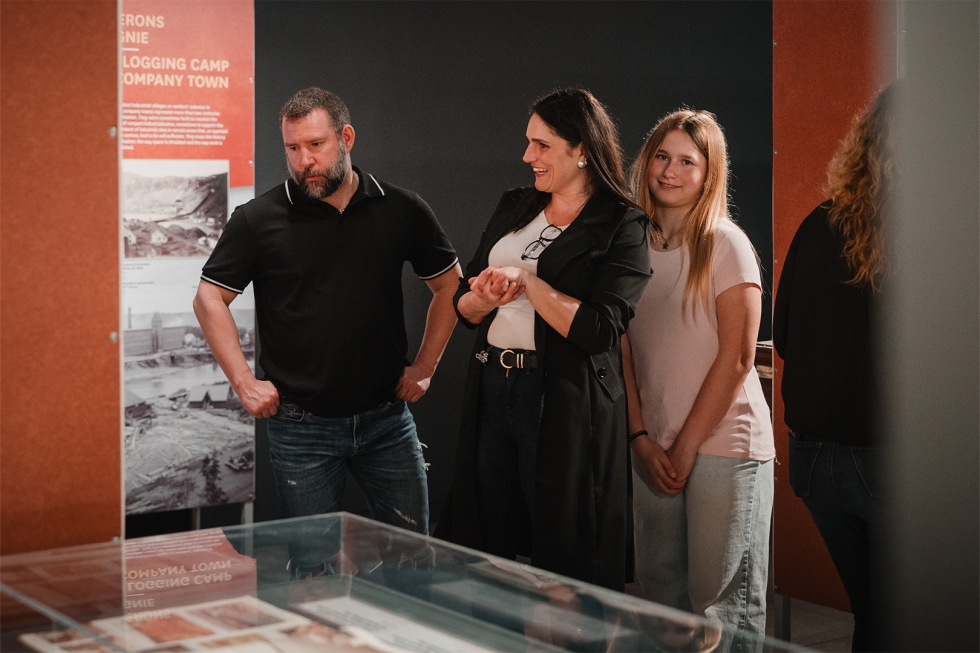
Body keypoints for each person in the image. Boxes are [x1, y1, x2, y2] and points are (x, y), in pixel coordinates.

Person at [193, 88, 462, 552]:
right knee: (312, 570)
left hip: (387, 422)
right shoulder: (258, 219)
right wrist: (242, 382)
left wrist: (426, 367)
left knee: (413, 556)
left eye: (315, 145)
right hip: (301, 427)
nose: (303, 162)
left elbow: (450, 285)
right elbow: (208, 298)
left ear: (347, 138)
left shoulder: (401, 208)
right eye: (293, 149)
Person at [435, 88, 652, 591]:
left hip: (562, 398)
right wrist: (484, 298)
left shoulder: (623, 222)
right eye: (529, 143)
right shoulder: (515, 204)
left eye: (542, 145)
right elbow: (463, 308)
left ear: (582, 149)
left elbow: (601, 329)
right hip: (493, 385)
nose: (528, 156)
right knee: (487, 543)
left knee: (568, 557)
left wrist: (530, 283)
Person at [622, 109, 774, 648]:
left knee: (718, 609)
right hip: (652, 446)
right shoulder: (630, 247)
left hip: (722, 446)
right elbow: (623, 350)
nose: (669, 170)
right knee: (660, 602)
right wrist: (639, 438)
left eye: (688, 161)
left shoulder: (727, 244)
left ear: (709, 175)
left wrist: (686, 445)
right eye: (662, 155)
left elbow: (737, 358)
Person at [773, 86, 894, 652]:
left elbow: (785, 335)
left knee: (874, 612)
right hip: (888, 459)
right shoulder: (941, 232)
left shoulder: (819, 222)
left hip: (813, 461)